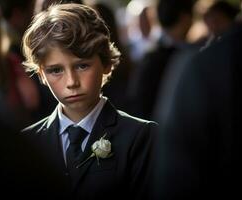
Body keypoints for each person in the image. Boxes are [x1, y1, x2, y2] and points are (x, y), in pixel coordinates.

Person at [21, 3, 157, 200]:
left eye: (82, 66)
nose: (71, 82)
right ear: (42, 74)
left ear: (106, 64)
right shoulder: (28, 143)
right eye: (56, 70)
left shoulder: (141, 136)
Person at [152, 0, 242, 199]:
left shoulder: (210, 63)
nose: (213, 26)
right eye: (209, 20)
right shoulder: (203, 63)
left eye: (218, 20)